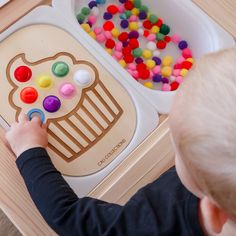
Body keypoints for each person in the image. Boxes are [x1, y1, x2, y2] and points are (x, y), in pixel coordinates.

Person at [5, 48, 236, 236]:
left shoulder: (157, 225)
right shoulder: (221, 177)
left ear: (212, 212)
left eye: (177, 145)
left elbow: (68, 218)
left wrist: (29, 150)